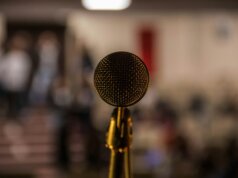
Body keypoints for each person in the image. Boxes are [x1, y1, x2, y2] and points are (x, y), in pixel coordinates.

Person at [0, 33, 31, 120]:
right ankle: (10, 117)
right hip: (8, 84)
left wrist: (24, 80)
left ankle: (18, 117)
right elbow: (2, 69)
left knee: (19, 102)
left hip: (20, 84)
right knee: (10, 102)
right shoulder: (8, 56)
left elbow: (26, 70)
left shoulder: (24, 57)